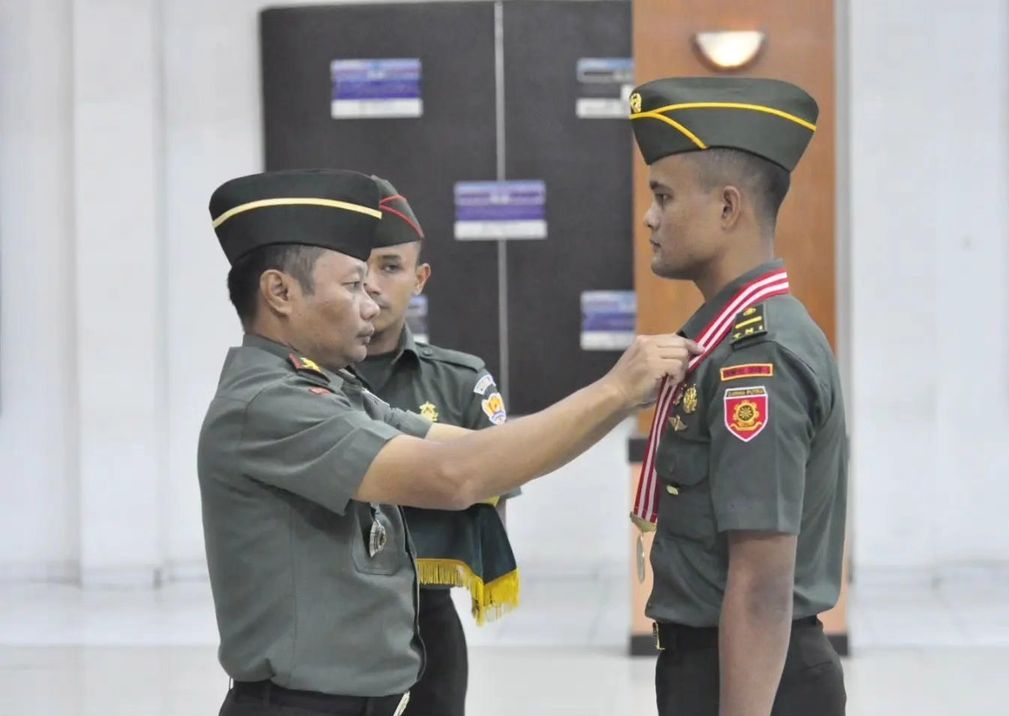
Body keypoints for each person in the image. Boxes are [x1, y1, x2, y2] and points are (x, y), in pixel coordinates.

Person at [198, 168, 697, 716]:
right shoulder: (270, 403)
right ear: (280, 292)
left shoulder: (335, 389)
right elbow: (454, 476)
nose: (371, 305)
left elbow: (478, 454)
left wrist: (623, 399)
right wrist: (615, 390)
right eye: (352, 285)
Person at [627, 77, 849, 716]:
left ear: (728, 208)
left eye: (663, 196)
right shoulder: (720, 340)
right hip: (722, 664)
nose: (650, 217)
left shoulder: (757, 358)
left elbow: (760, 582)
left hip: (754, 676)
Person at [350, 176, 519, 716]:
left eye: (390, 267)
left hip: (427, 621)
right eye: (356, 268)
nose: (372, 284)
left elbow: (497, 488)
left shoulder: (460, 383)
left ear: (419, 278)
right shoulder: (302, 384)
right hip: (328, 623)